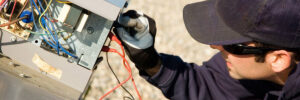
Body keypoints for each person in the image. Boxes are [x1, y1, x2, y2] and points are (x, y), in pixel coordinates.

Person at [114, 0, 300, 100]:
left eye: (231, 43)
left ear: (278, 59)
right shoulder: (255, 66)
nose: (214, 46)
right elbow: (212, 87)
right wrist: (151, 62)